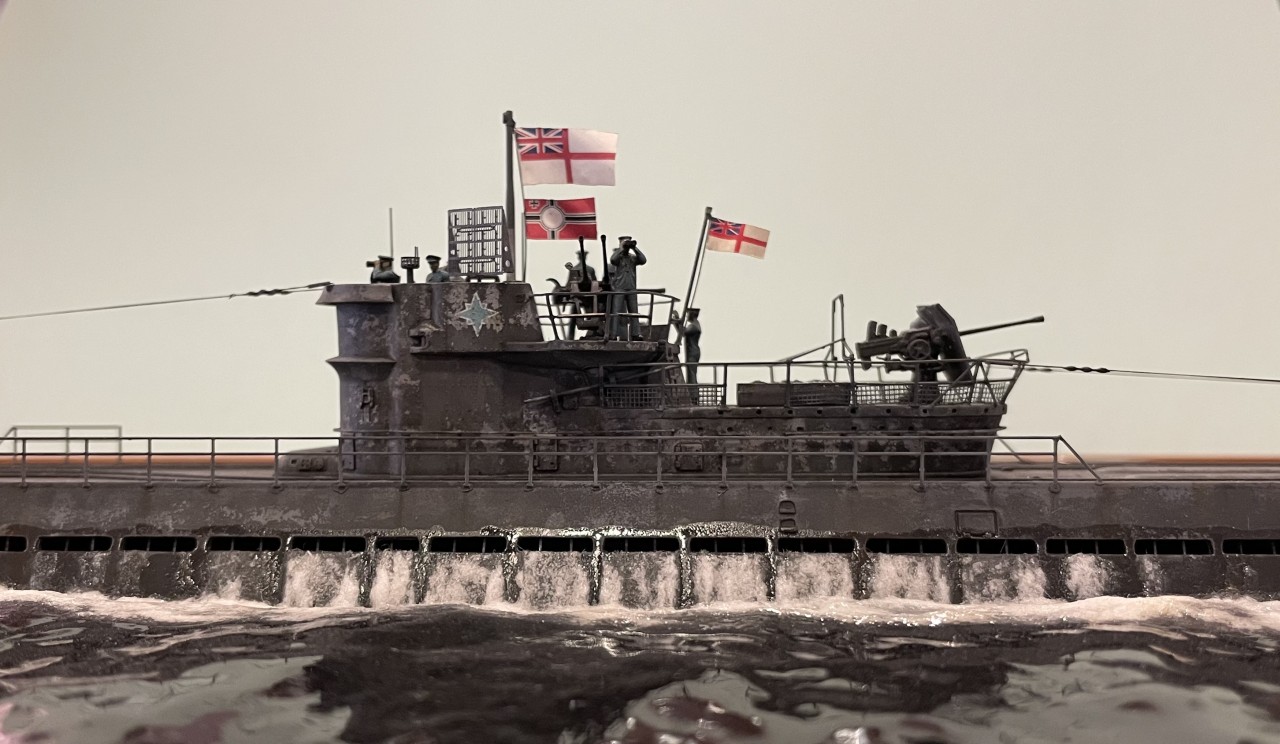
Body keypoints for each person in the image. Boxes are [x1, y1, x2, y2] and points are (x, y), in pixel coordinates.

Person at [608, 235, 647, 340]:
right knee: (616, 312)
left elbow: (643, 260)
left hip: (631, 287)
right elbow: (613, 260)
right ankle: (613, 334)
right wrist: (621, 248)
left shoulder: (632, 258)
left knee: (634, 312)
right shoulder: (618, 258)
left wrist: (634, 248)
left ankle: (636, 333)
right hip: (619, 288)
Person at [683, 308, 702, 386]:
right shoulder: (696, 324)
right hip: (694, 351)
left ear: (692, 315)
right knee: (692, 372)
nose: (687, 316)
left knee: (691, 374)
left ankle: (693, 392)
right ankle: (693, 390)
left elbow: (684, 332)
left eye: (688, 314)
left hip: (692, 352)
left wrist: (676, 322)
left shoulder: (694, 326)